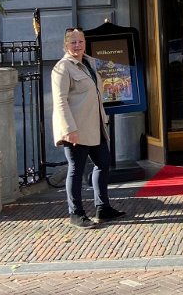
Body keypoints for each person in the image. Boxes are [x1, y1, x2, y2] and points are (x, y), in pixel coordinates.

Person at [51, 27, 126, 228]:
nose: (77, 45)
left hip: (95, 126)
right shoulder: (62, 68)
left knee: (103, 163)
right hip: (76, 129)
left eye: (80, 41)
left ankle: (103, 208)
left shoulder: (90, 63)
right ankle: (76, 213)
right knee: (76, 170)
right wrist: (69, 129)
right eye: (73, 42)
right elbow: (60, 101)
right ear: (65, 45)